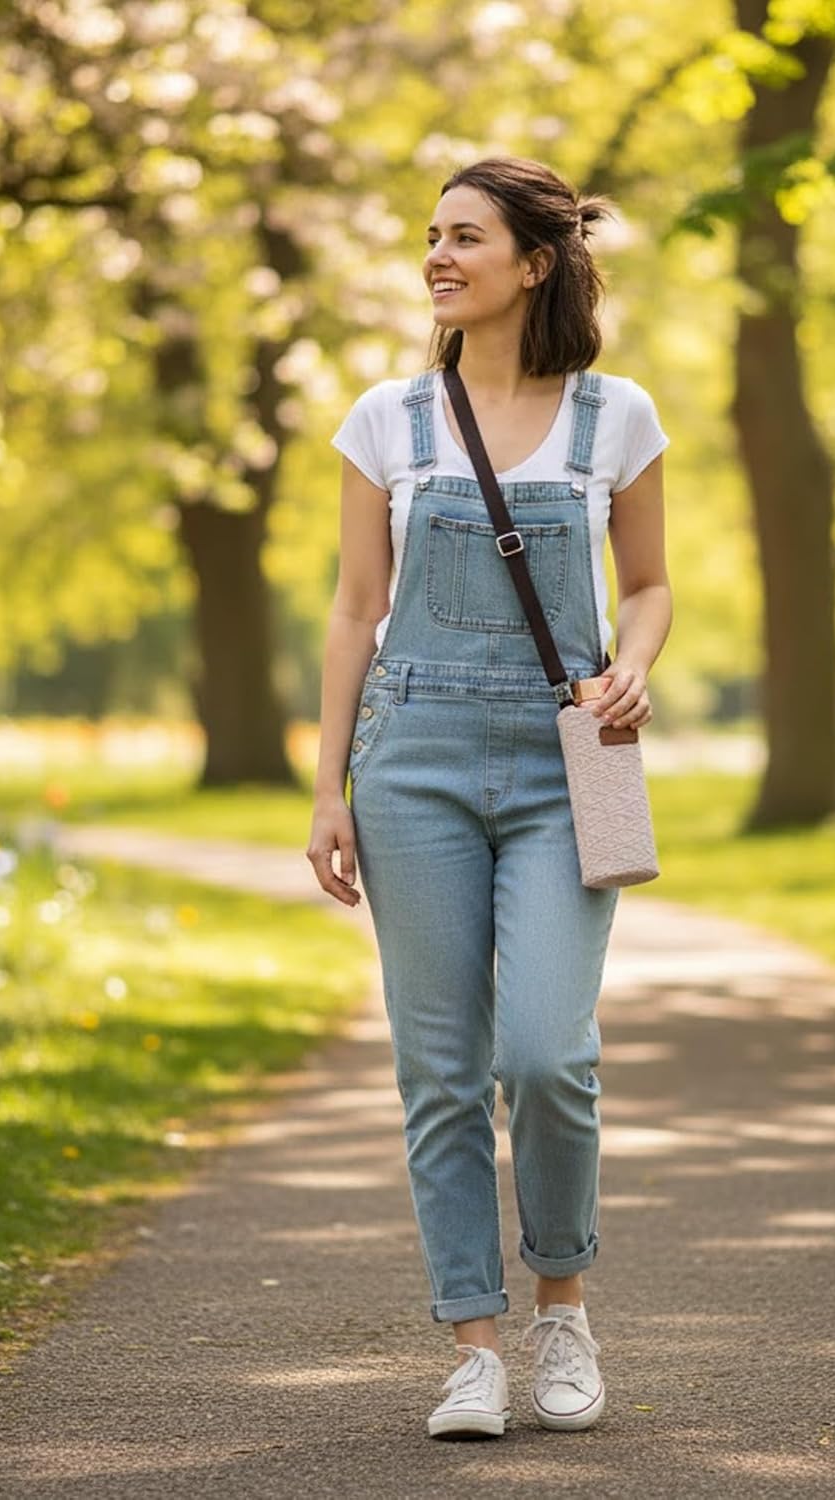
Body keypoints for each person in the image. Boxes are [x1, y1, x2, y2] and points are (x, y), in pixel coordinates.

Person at [307, 155, 673, 1440]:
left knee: (546, 1055)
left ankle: (561, 1309)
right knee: (442, 1071)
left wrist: (634, 664)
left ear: (535, 262)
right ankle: (472, 1346)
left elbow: (648, 586)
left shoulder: (615, 417)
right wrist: (329, 788)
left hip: (567, 762)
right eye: (433, 235)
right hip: (411, 762)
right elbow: (355, 612)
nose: (439, 256)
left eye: (467, 236)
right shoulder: (387, 421)